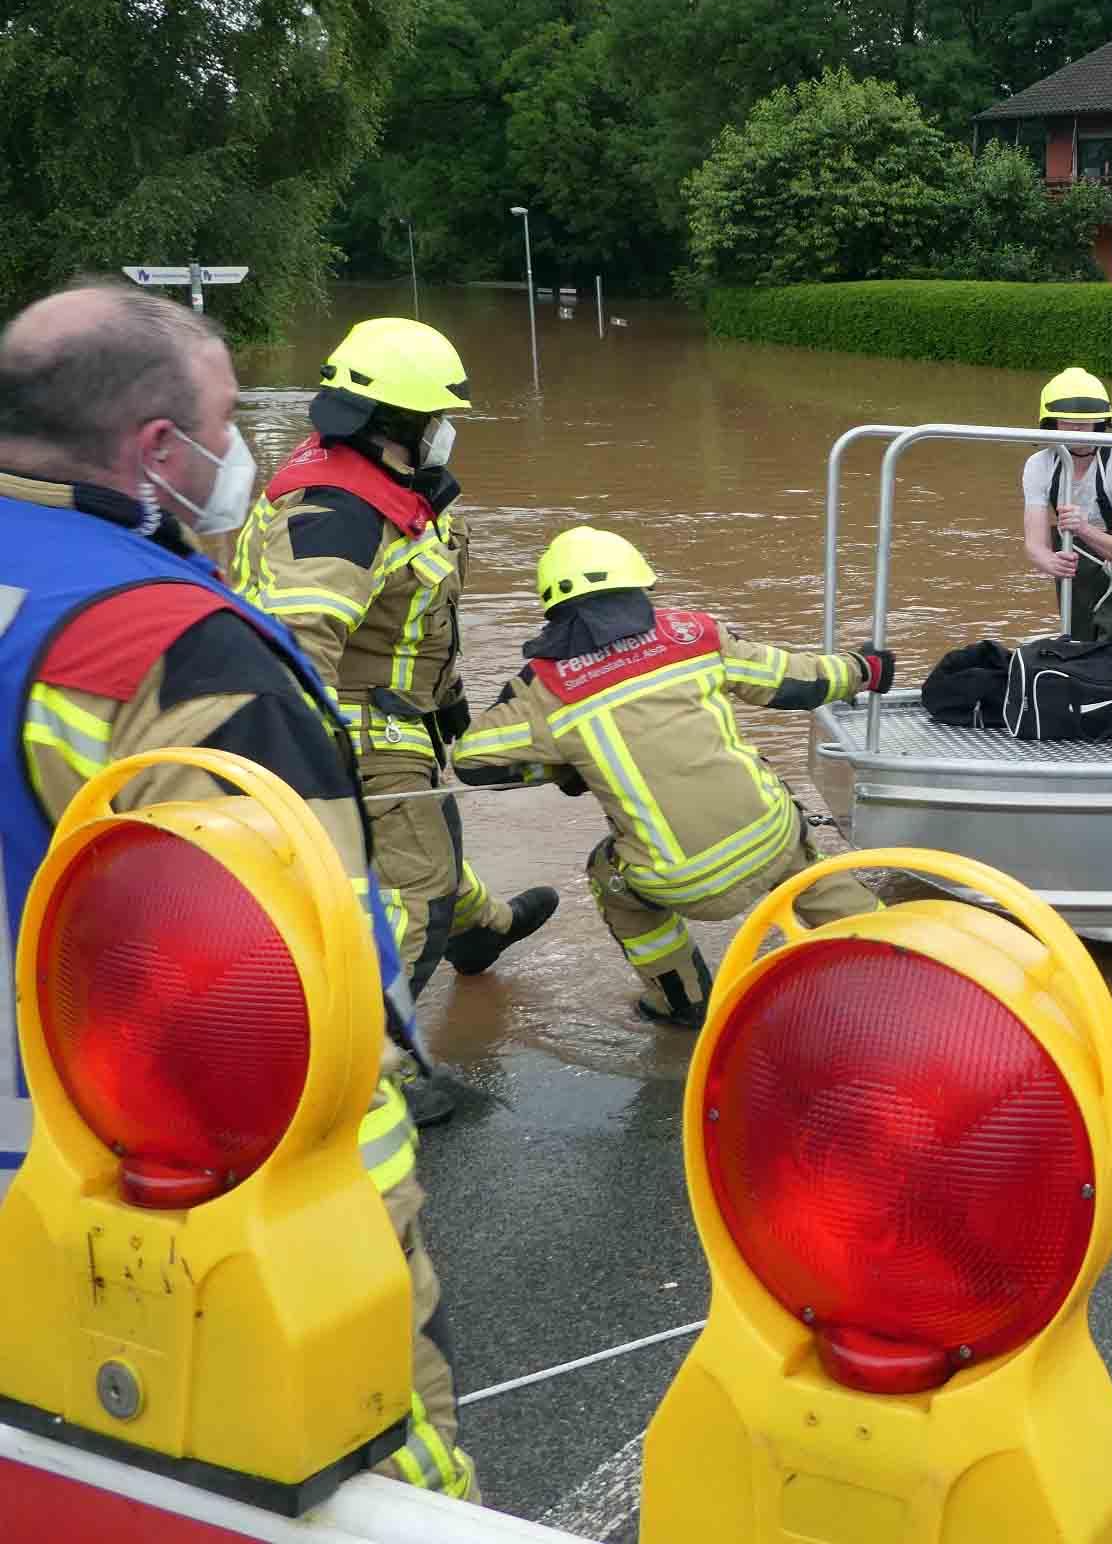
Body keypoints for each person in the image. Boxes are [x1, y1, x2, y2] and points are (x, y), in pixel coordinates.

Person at [0, 282, 477, 1499]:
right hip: (109, 1169)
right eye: (226, 419)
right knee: (360, 1446)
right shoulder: (176, 653)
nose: (246, 456)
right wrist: (363, 1219)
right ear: (159, 448)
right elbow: (293, 988)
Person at [230, 318, 556, 1122]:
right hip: (354, 731)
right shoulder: (340, 512)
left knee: (428, 846)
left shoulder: (383, 491)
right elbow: (298, 644)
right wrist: (311, 767)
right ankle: (377, 1074)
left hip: (397, 719)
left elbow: (412, 622)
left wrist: (451, 716)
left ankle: (485, 933)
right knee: (417, 892)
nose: (449, 433)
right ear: (403, 426)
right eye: (442, 418)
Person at [452, 527, 888, 1030]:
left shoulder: (544, 688)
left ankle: (683, 1001)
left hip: (685, 882)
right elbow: (799, 682)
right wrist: (866, 668)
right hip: (774, 842)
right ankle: (891, 945)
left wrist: (559, 765)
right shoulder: (694, 635)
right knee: (792, 836)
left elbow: (473, 759)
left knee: (607, 875)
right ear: (640, 586)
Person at [1020, 368, 1112, 647]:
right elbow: (1035, 545)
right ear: (1051, 425)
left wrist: (1084, 528)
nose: (1077, 432)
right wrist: (1049, 562)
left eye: (1086, 424)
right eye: (1068, 424)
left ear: (1101, 425)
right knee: (1079, 647)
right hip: (1077, 560)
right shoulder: (1038, 466)